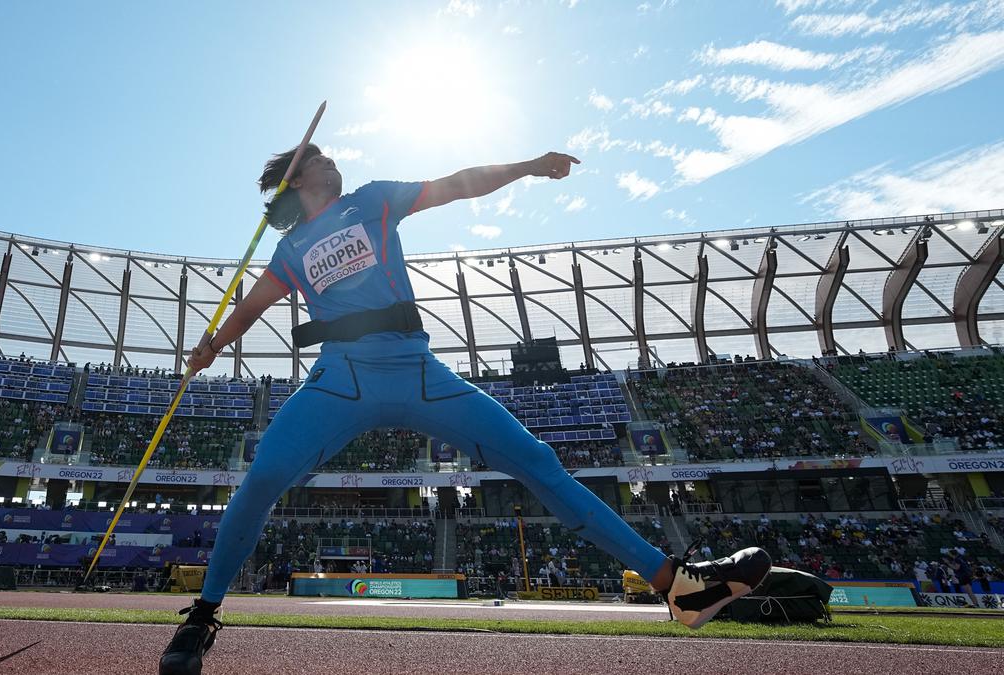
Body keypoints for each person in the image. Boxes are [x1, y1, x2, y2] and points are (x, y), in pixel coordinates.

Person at [158, 145, 771, 675]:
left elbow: (456, 184)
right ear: (297, 176)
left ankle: (678, 588)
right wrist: (212, 345)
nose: (333, 158)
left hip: (417, 371)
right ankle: (201, 619)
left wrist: (530, 166)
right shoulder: (291, 248)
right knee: (264, 474)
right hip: (341, 377)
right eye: (320, 156)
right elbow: (252, 306)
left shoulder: (370, 200)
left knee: (538, 461)